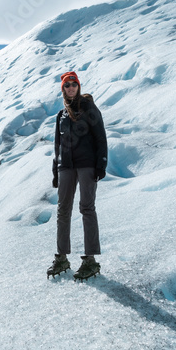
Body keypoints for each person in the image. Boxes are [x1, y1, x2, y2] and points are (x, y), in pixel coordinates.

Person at [48, 71, 107, 280]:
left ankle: (90, 260)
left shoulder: (88, 108)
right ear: (62, 89)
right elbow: (58, 145)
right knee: (63, 209)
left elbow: (100, 136)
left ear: (78, 86)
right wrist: (56, 169)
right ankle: (62, 257)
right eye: (67, 85)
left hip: (87, 165)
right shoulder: (61, 115)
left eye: (74, 84)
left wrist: (101, 163)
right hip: (66, 166)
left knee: (86, 208)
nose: (71, 88)